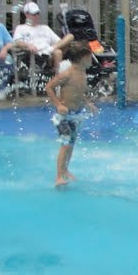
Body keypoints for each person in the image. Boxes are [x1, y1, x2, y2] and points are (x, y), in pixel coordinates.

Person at [46, 40, 96, 187]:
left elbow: (79, 92)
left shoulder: (82, 73)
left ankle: (65, 170)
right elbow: (49, 87)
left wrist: (87, 103)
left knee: (71, 144)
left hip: (76, 115)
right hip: (64, 116)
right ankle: (59, 176)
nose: (91, 59)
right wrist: (58, 104)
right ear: (82, 58)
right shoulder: (67, 74)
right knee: (66, 144)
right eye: (89, 56)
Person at [3, 1, 60, 93]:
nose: (37, 16)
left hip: (50, 53)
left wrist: (51, 49)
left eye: (38, 13)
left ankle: (58, 79)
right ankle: (57, 80)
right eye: (34, 14)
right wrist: (28, 45)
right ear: (27, 14)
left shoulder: (45, 28)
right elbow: (17, 42)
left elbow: (59, 41)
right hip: (35, 55)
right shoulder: (21, 28)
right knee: (58, 52)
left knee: (67, 41)